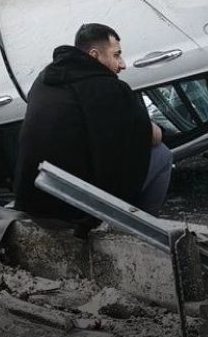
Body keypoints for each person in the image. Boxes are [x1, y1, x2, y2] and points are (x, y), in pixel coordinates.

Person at [13, 23, 173, 226]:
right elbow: (153, 136)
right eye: (116, 55)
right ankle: (143, 230)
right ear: (95, 54)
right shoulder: (106, 87)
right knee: (162, 154)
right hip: (72, 208)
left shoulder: (44, 80)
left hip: (33, 197)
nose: (122, 64)